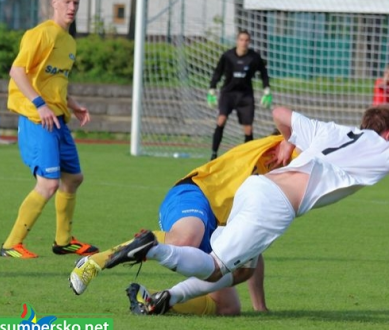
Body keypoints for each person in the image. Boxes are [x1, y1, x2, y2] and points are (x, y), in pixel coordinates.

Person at [104, 104, 389, 315]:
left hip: (255, 188)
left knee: (241, 271)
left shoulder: (331, 130)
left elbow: (279, 113)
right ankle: (154, 248)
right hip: (276, 205)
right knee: (214, 267)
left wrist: (289, 140)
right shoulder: (383, 147)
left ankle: (165, 299)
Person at [69, 135, 296, 315]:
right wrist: (288, 140)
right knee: (186, 239)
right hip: (197, 194)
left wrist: (260, 307)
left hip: (217, 228)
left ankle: (153, 300)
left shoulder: (282, 188)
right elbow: (286, 119)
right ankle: (93, 262)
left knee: (229, 306)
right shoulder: (284, 148)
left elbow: (254, 247)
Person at [1, 0, 98, 259]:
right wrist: (40, 105)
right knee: (48, 184)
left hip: (57, 118)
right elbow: (17, 71)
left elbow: (53, 81)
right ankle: (11, 245)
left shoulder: (69, 42)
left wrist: (73, 104)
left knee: (74, 178)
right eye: (66, 2)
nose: (72, 7)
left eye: (76, 3)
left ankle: (63, 240)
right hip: (36, 118)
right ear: (53, 3)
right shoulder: (40, 34)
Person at [207, 30, 271, 161]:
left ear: (249, 42)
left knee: (248, 128)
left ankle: (249, 159)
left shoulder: (254, 57)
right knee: (221, 119)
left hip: (245, 96)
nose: (244, 43)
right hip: (228, 94)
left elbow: (263, 73)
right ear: (237, 41)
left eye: (246, 40)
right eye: (241, 40)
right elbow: (217, 73)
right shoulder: (227, 56)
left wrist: (267, 90)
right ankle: (213, 154)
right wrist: (212, 89)